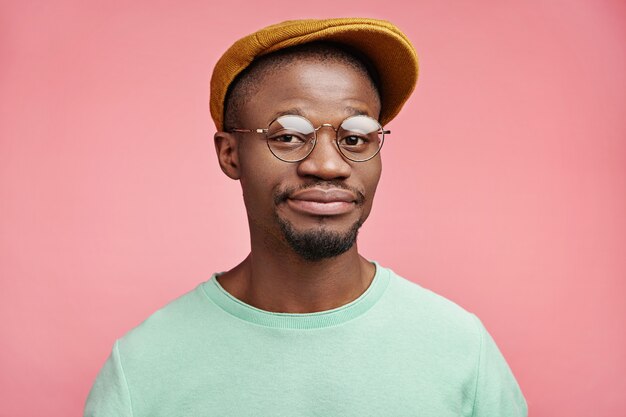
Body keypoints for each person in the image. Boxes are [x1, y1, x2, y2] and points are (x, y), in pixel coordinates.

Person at [84, 18, 528, 417]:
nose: (328, 165)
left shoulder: (460, 348)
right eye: (290, 136)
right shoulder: (143, 367)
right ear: (229, 153)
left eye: (356, 138)